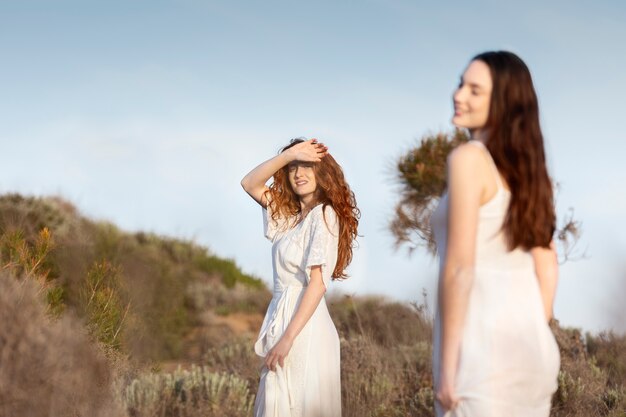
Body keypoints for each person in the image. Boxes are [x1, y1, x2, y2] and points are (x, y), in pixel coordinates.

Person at [430, 51, 561, 416]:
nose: (459, 95)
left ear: (502, 103)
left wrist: (448, 369)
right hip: (531, 347)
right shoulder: (525, 175)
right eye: (461, 84)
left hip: (480, 351)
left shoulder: (469, 159)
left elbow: (459, 269)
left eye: (475, 90)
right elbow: (547, 263)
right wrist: (535, 327)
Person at [241, 138, 359, 417]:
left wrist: (287, 338)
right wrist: (290, 154)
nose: (298, 173)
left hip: (304, 325)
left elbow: (317, 284)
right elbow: (249, 183)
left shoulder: (325, 214)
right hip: (281, 315)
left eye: (307, 166)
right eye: (293, 167)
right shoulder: (289, 218)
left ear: (322, 173)